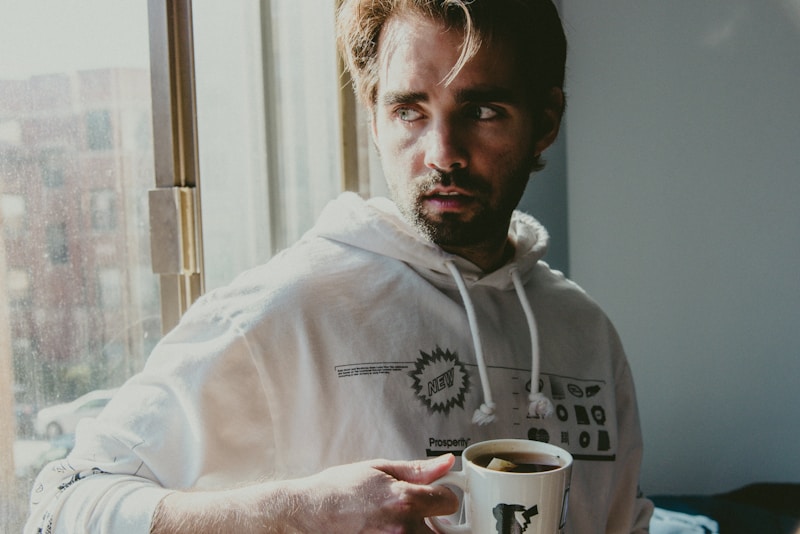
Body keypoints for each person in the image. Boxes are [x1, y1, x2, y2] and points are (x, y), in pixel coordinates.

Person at [26, 0, 654, 532]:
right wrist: (296, 511)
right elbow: (61, 503)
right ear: (374, 117)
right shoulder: (283, 310)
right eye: (409, 110)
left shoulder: (586, 332)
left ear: (545, 122)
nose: (443, 154)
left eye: (483, 111)